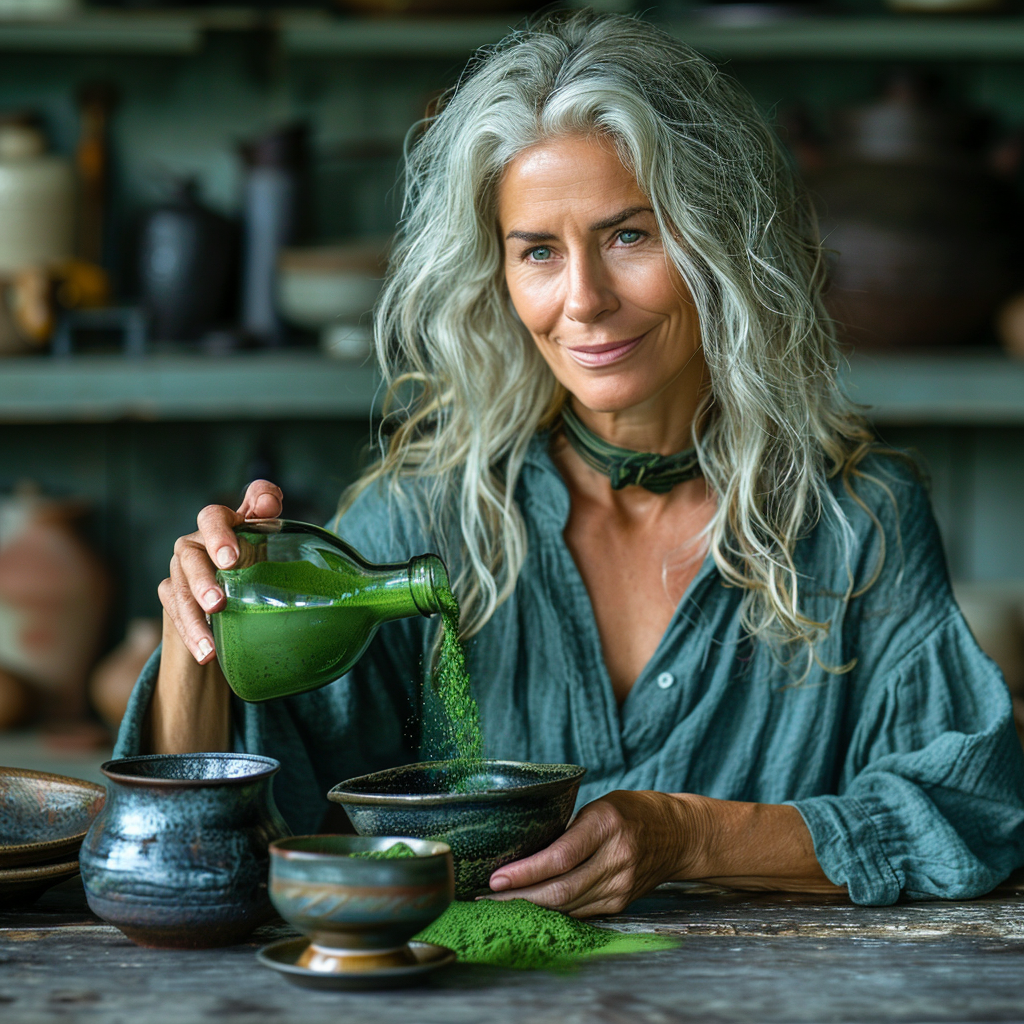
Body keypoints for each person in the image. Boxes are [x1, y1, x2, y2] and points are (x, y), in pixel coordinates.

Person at [117, 11, 1024, 917]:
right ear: (498, 278)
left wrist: (686, 836)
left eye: (629, 235)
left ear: (720, 244)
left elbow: (967, 810)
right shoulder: (421, 521)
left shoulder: (855, 522)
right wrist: (200, 642)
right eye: (539, 251)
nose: (583, 300)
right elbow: (234, 836)